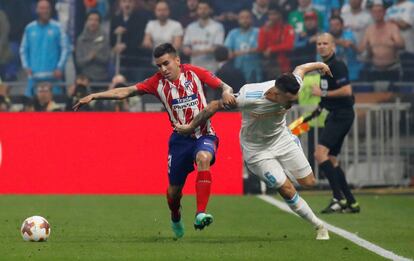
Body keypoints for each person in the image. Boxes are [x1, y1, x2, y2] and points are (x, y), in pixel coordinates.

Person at [73, 43, 236, 238]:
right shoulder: (156, 83)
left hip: (204, 134)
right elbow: (125, 91)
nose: (163, 69)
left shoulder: (195, 73)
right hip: (179, 142)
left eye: (166, 63)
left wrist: (226, 92)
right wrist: (94, 96)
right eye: (159, 65)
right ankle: (175, 215)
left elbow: (224, 86)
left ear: (177, 60)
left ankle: (200, 213)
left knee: (203, 158)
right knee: (174, 193)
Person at [175, 61, 333, 240]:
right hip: (257, 151)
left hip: (282, 140)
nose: (292, 103)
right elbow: (213, 106)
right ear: (276, 92)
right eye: (289, 99)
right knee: (286, 189)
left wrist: (320, 64)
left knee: (309, 183)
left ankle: (286, 164)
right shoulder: (249, 96)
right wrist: (190, 127)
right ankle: (319, 226)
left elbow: (301, 69)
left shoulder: (292, 84)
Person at [311, 33, 360, 214]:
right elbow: (328, 92)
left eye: (325, 43)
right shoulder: (324, 67)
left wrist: (322, 95)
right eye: (319, 43)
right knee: (331, 158)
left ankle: (338, 198)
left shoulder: (337, 65)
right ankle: (351, 202)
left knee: (319, 153)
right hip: (335, 113)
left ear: (333, 46)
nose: (322, 46)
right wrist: (321, 105)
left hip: (342, 114)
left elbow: (347, 91)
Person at [20, 0, 71, 97]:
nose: (45, 11)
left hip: (53, 77)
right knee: (32, 108)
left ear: (51, 10)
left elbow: (66, 48)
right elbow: (23, 49)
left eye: (47, 8)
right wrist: (26, 67)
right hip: (34, 77)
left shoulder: (58, 27)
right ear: (37, 10)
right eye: (42, 8)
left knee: (54, 108)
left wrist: (60, 68)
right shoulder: (29, 28)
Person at [76, 11, 110, 82]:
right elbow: (79, 62)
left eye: (96, 20)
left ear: (99, 22)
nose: (93, 22)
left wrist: (96, 56)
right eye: (90, 19)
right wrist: (89, 57)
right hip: (85, 78)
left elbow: (107, 59)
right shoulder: (81, 39)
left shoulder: (105, 38)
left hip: (102, 77)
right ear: (86, 22)